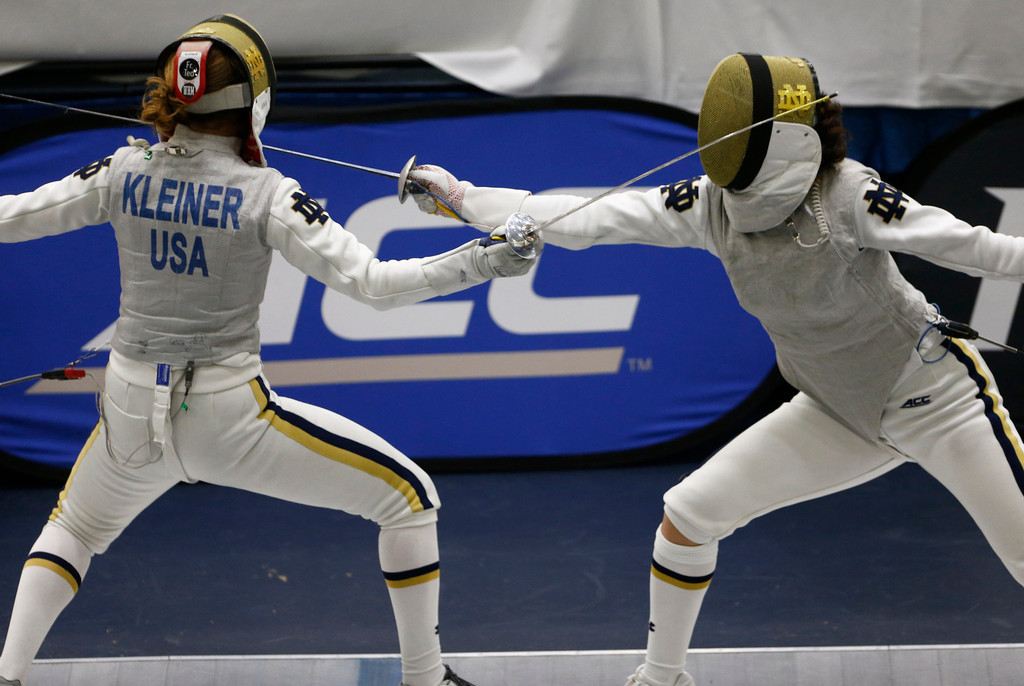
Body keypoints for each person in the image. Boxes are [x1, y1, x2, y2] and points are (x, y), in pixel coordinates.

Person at [406, 53, 1024, 686]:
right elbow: (586, 218)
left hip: (935, 399)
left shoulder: (850, 195)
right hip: (836, 408)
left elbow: (978, 248)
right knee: (689, 517)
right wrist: (467, 199)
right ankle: (663, 678)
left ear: (781, 139)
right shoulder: (711, 205)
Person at [0, 14, 540, 686]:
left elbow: (11, 216)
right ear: (254, 103)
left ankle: (8, 675)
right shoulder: (267, 194)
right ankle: (425, 679)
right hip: (229, 417)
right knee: (409, 498)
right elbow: (374, 286)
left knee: (74, 533)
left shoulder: (122, 170)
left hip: (128, 407)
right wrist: (484, 260)